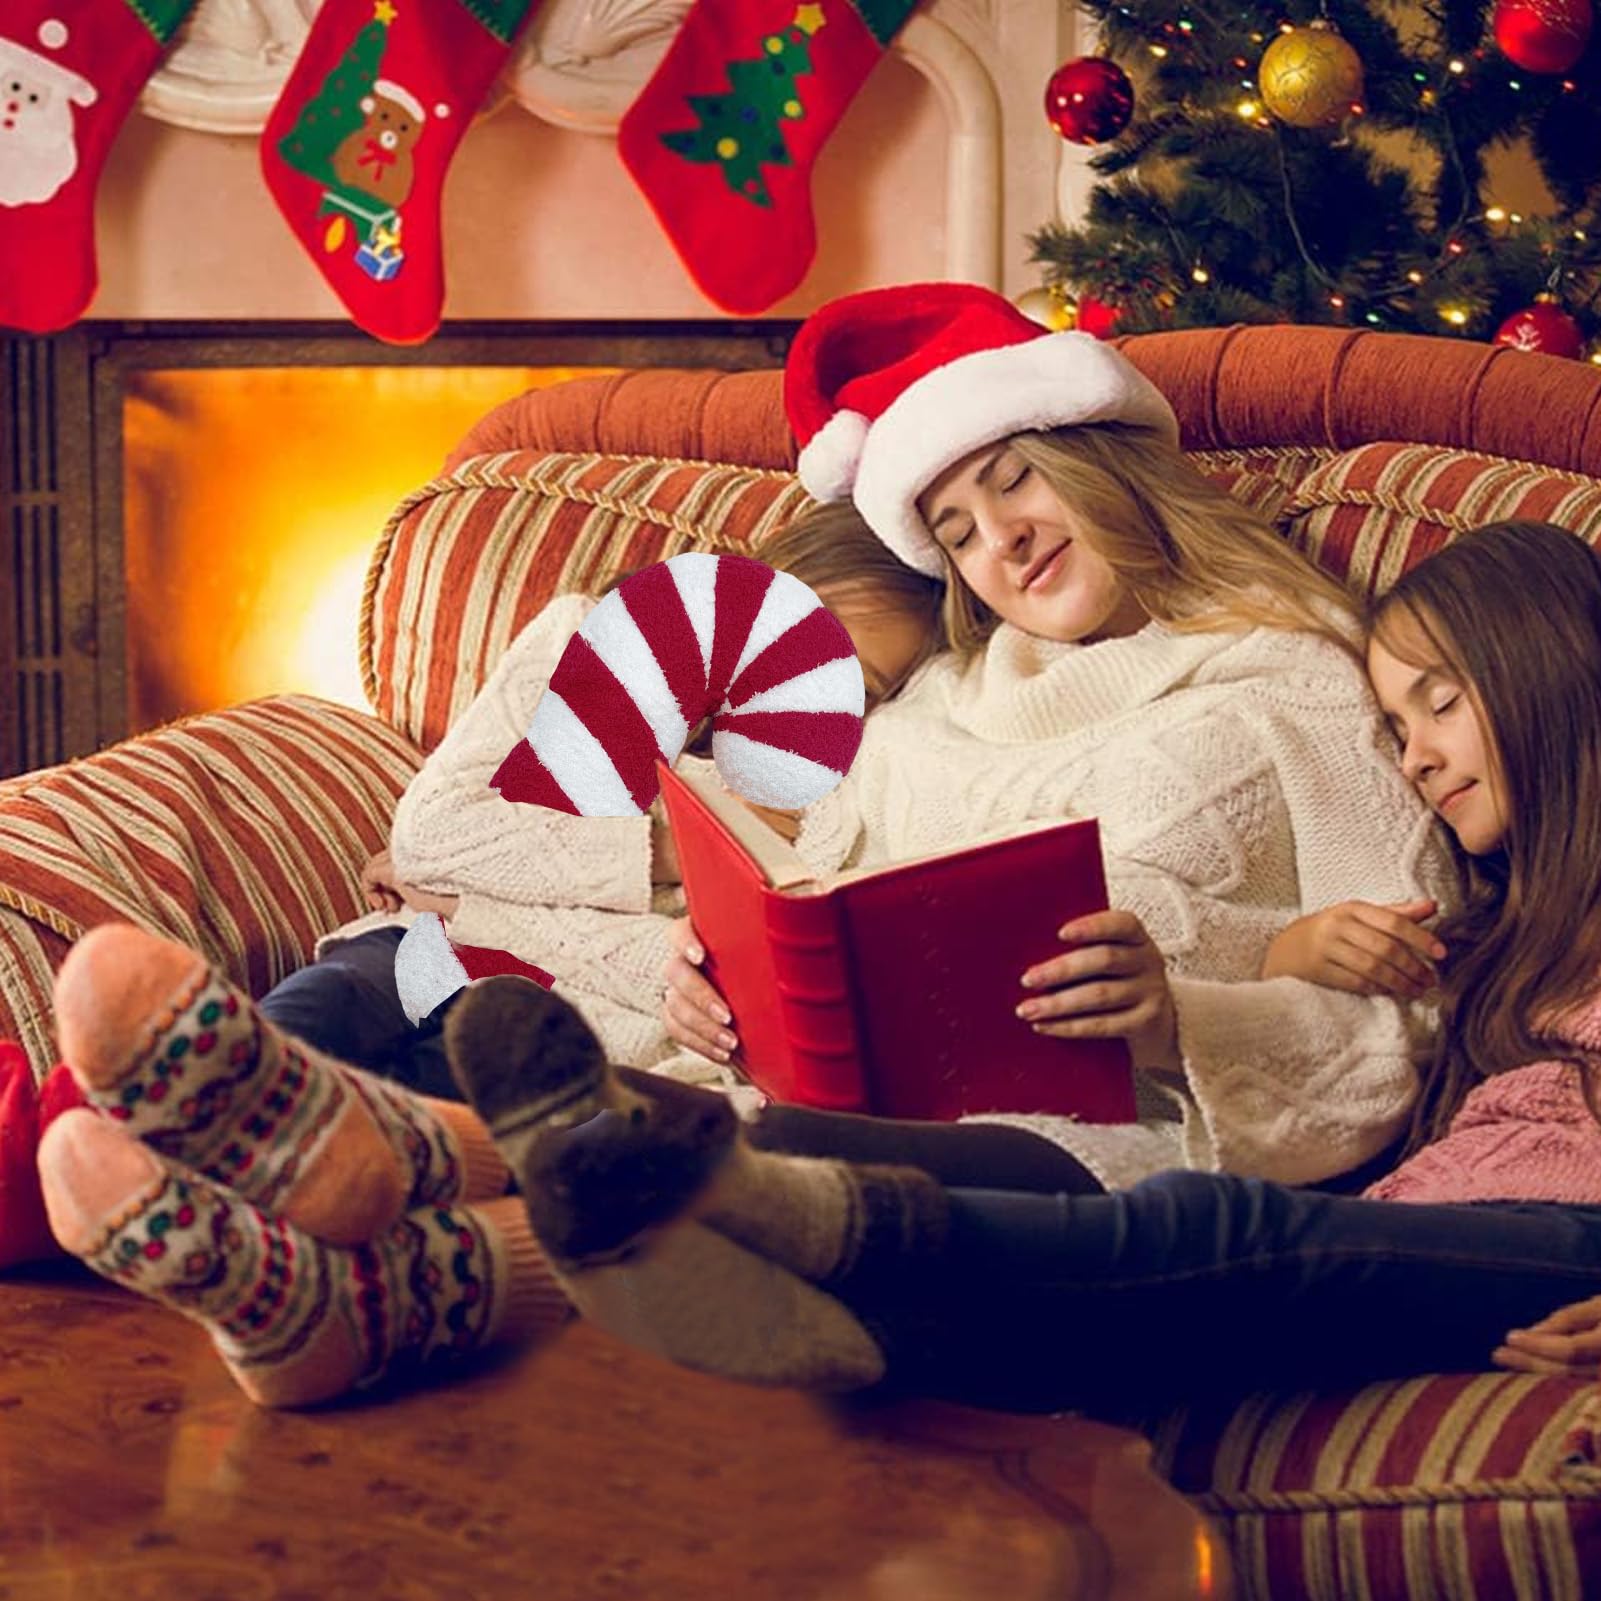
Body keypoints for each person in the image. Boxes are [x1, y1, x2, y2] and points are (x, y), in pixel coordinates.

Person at [425, 518, 1601, 1415]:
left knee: (1211, 1230)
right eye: (1399, 726)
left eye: (1436, 706)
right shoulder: (1512, 911)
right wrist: (1274, 952)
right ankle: (462, 1191)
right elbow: (1367, 1001)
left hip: (1551, 1235)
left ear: (1546, 667)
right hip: (1459, 1214)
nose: (1414, 758)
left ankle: (711, 1214)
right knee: (785, 1137)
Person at [664, 279, 1453, 1194]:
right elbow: (805, 898)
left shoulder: (1300, 678)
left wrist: (1178, 1024)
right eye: (957, 534)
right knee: (628, 1122)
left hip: (1113, 1159)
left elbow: (1414, 1019)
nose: (1000, 539)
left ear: (1098, 460)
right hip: (860, 1116)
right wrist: (717, 981)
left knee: (743, 1168)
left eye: (1014, 480)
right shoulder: (933, 700)